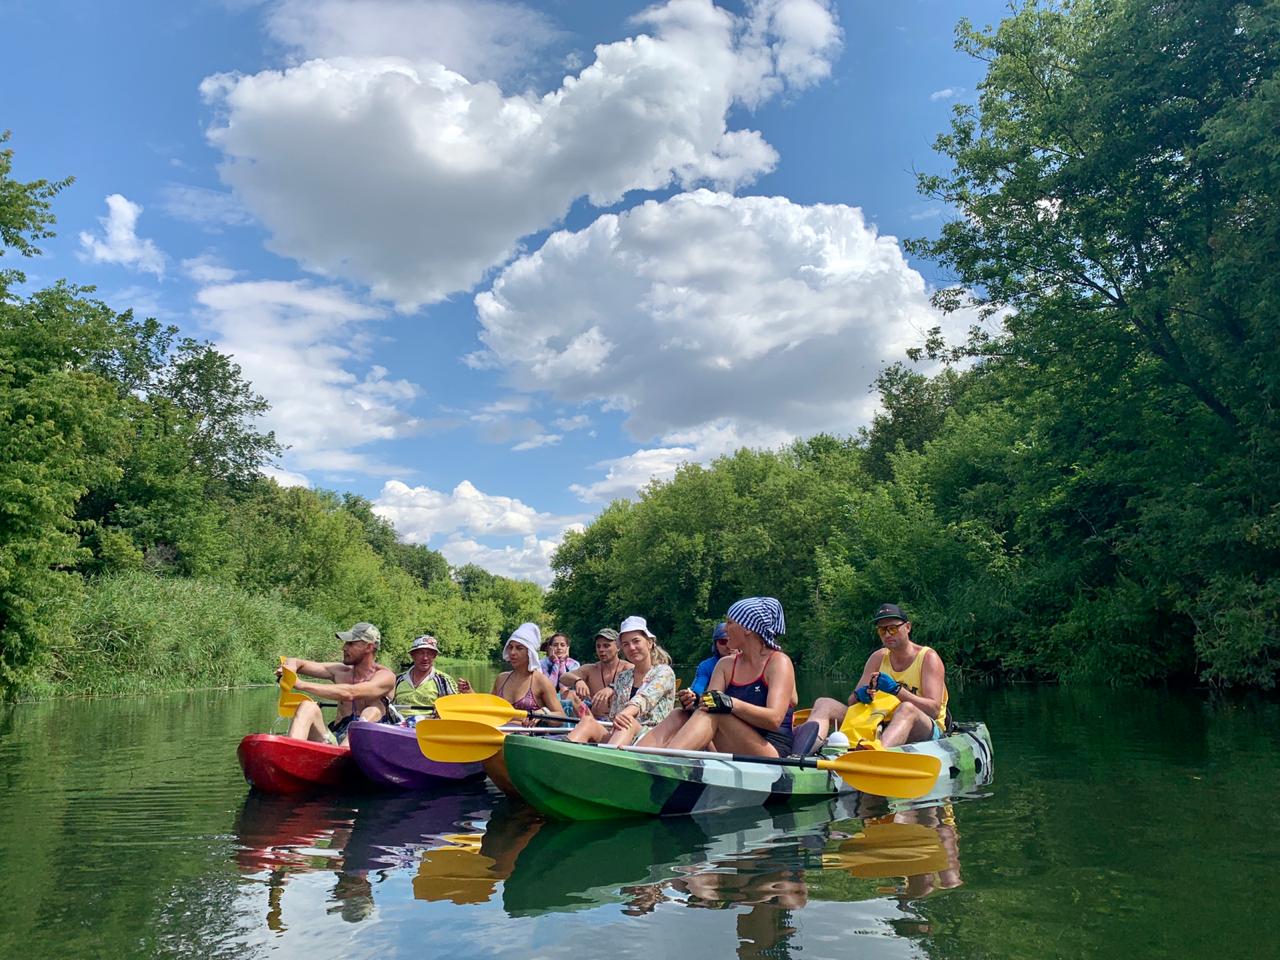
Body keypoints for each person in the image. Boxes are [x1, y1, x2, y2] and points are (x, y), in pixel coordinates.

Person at [645, 597, 796, 758]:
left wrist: (730, 703)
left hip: (772, 749)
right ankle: (637, 759)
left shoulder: (779, 662)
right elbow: (709, 703)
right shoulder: (725, 664)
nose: (725, 629)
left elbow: (774, 720)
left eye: (730, 623)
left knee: (716, 713)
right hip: (735, 740)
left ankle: (664, 764)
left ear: (748, 629)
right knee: (679, 714)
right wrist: (695, 702)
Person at [793, 603, 948, 753]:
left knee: (906, 708)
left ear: (907, 627)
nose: (887, 634)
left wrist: (897, 690)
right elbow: (852, 702)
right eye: (882, 630)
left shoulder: (928, 658)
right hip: (879, 720)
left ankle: (876, 753)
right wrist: (861, 695)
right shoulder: (878, 658)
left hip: (925, 727)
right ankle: (801, 755)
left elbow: (933, 710)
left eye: (892, 629)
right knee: (824, 703)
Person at [277, 622, 397, 744]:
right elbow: (295, 661)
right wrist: (289, 668)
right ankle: (290, 752)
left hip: (371, 743)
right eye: (345, 643)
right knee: (307, 706)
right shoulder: (340, 671)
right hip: (336, 738)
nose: (344, 648)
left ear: (369, 647)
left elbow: (351, 693)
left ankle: (345, 752)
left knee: (372, 710)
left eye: (350, 643)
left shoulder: (386, 677)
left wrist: (301, 684)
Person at [567, 616, 676, 745]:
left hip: (652, 738)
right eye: (626, 644)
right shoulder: (623, 677)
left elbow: (643, 699)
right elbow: (614, 716)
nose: (632, 647)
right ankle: (559, 760)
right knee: (587, 722)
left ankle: (607, 762)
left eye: (636, 641)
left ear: (650, 643)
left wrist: (624, 714)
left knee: (625, 721)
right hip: (622, 734)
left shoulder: (664, 672)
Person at [492, 623, 566, 725]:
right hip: (498, 733)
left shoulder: (541, 681)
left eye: (519, 648)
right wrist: (471, 693)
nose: (512, 652)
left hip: (524, 737)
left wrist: (544, 713)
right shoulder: (501, 678)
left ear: (530, 652)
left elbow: (561, 718)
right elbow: (489, 708)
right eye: (510, 647)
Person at [392, 634, 471, 721]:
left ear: (435, 656)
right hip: (399, 728)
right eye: (420, 653)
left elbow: (456, 709)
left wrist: (466, 693)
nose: (425, 658)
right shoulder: (397, 680)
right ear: (412, 655)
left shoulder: (444, 680)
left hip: (430, 728)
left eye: (430, 654)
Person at [558, 627, 623, 719]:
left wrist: (612, 688)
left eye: (606, 645)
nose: (601, 649)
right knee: (569, 694)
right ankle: (588, 721)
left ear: (618, 647)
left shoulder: (628, 668)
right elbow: (563, 678)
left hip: (620, 721)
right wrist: (577, 681)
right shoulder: (590, 668)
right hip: (594, 720)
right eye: (598, 646)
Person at [689, 622, 732, 696]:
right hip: (716, 704)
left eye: (731, 640)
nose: (728, 646)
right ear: (716, 645)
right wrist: (691, 697)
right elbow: (698, 689)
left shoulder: (748, 664)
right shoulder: (706, 666)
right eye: (723, 642)